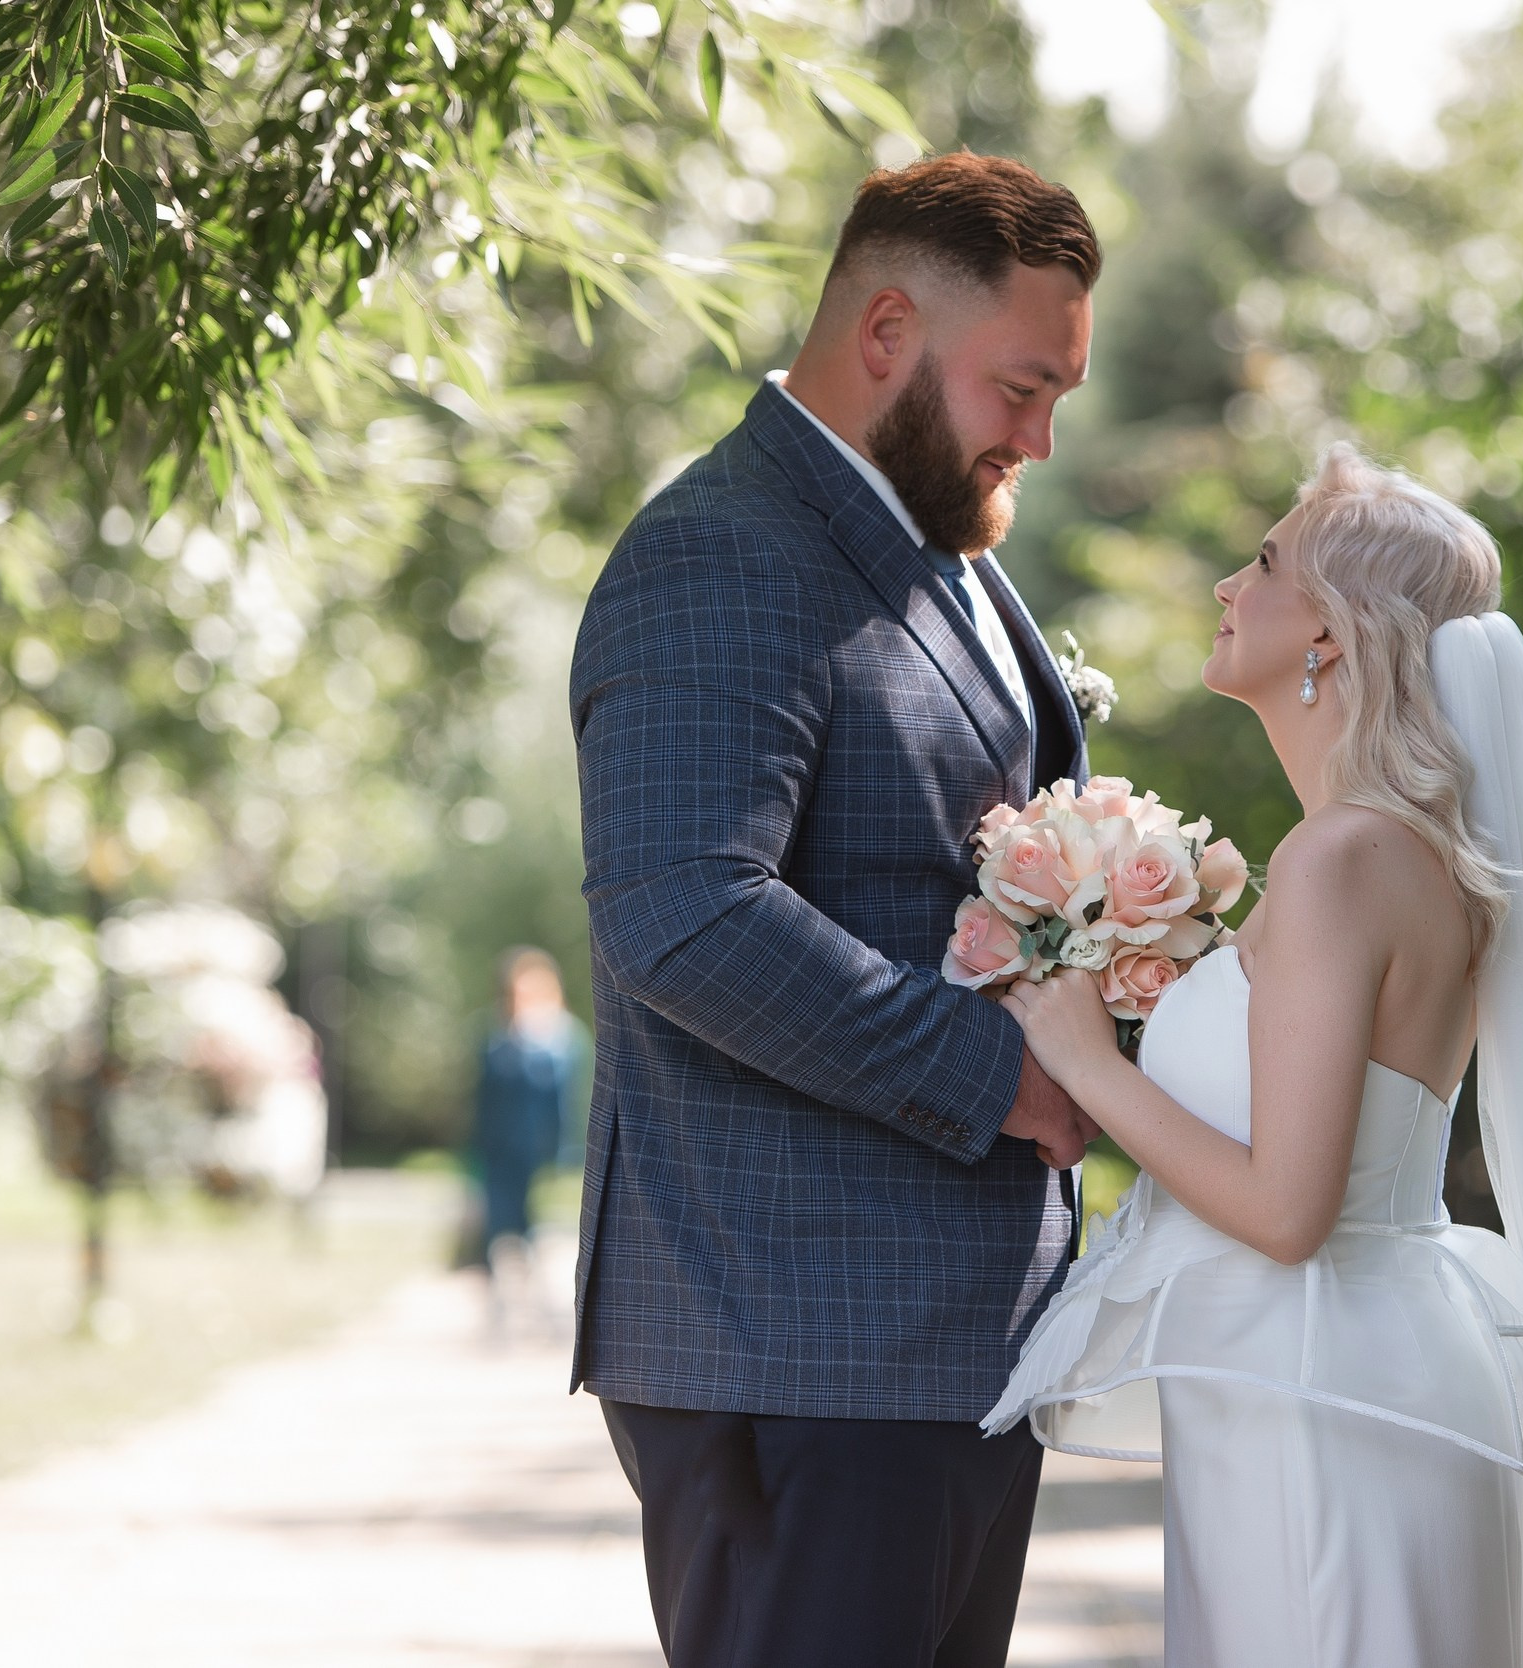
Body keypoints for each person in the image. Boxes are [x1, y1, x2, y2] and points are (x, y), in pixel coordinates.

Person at [989, 446, 1523, 1666]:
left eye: (1264, 562)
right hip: (1338, 1373)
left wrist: (1089, 1062)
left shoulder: (1344, 861)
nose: (1228, 584)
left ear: (1331, 633)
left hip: (1318, 1392)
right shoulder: (1389, 851)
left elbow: (1286, 1211)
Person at [567, 152, 1100, 1668]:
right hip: (797, 1343)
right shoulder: (720, 555)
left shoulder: (939, 553)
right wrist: (1011, 1080)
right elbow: (684, 912)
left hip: (947, 1352)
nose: (1042, 437)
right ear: (886, 333)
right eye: (1021, 387)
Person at [470, 947, 582, 1325]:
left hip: (550, 1156)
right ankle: (502, 1311)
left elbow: (572, 1103)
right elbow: (484, 1102)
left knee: (547, 1236)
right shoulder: (499, 1039)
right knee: (503, 1234)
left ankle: (551, 1313)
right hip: (503, 1155)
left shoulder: (564, 1040)